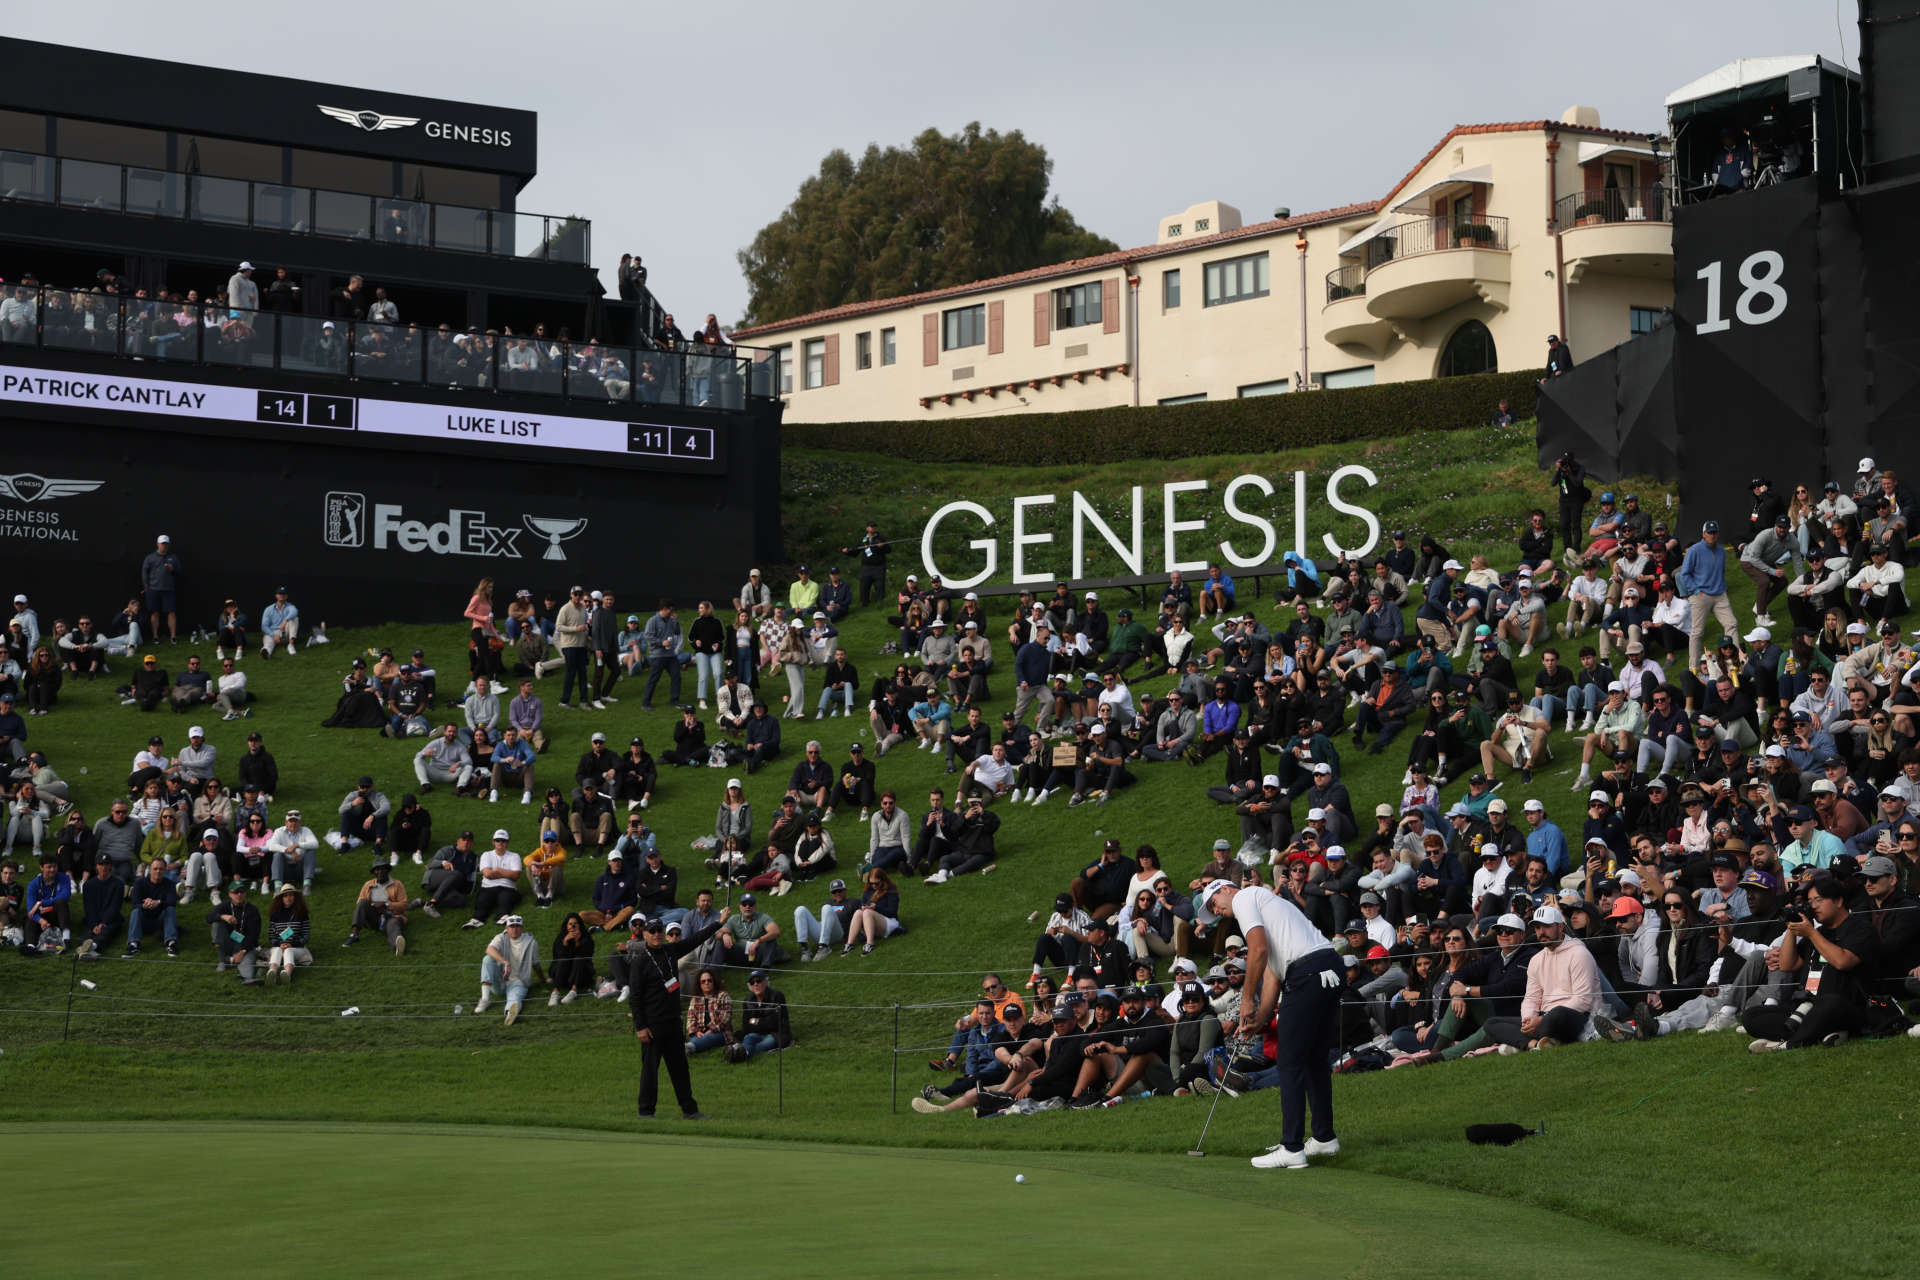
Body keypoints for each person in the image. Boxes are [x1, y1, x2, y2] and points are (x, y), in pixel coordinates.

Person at [1198, 877, 1342, 1169]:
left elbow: (1259, 951)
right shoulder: (1271, 908)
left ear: (1226, 890)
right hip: (1329, 968)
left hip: (1308, 974)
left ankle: (1292, 1148)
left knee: (1289, 1062)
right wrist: (1261, 1018)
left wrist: (1247, 999)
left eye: (1215, 903)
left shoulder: (1244, 898)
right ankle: (1325, 1138)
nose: (1217, 910)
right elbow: (1274, 974)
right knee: (1314, 1060)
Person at [475, 914, 539, 1026]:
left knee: (515, 997)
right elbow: (489, 949)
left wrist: (543, 979)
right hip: (500, 980)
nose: (514, 929)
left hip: (518, 981)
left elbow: (536, 964)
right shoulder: (501, 937)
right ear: (507, 928)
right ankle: (485, 999)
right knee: (488, 959)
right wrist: (505, 962)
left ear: (522, 928)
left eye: (517, 926)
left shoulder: (531, 942)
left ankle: (510, 1013)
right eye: (512, 926)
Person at [344, 860, 409, 954]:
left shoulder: (397, 884)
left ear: (387, 870)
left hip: (392, 917)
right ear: (374, 872)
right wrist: (372, 903)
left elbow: (404, 905)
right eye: (377, 870)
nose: (380, 872)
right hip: (375, 919)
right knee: (363, 902)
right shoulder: (368, 884)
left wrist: (386, 904)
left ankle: (397, 946)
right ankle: (354, 935)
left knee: (393, 926)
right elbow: (360, 904)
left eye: (382, 869)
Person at [207, 879, 263, 984]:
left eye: (241, 891)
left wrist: (242, 952)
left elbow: (254, 935)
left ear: (245, 893)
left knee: (247, 959)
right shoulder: (225, 906)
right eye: (235, 892)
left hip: (245, 945)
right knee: (216, 924)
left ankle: (247, 978)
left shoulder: (253, 910)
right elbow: (209, 918)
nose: (239, 894)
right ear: (230, 894)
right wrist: (223, 916)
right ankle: (223, 960)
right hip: (228, 942)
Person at [464, 829, 524, 928]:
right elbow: (487, 874)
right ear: (493, 842)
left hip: (507, 888)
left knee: (505, 898)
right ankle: (477, 920)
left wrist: (497, 870)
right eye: (498, 840)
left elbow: (516, 875)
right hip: (488, 887)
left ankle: (503, 916)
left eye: (503, 840)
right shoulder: (486, 855)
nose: (500, 843)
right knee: (483, 900)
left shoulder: (514, 856)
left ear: (507, 842)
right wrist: (506, 873)